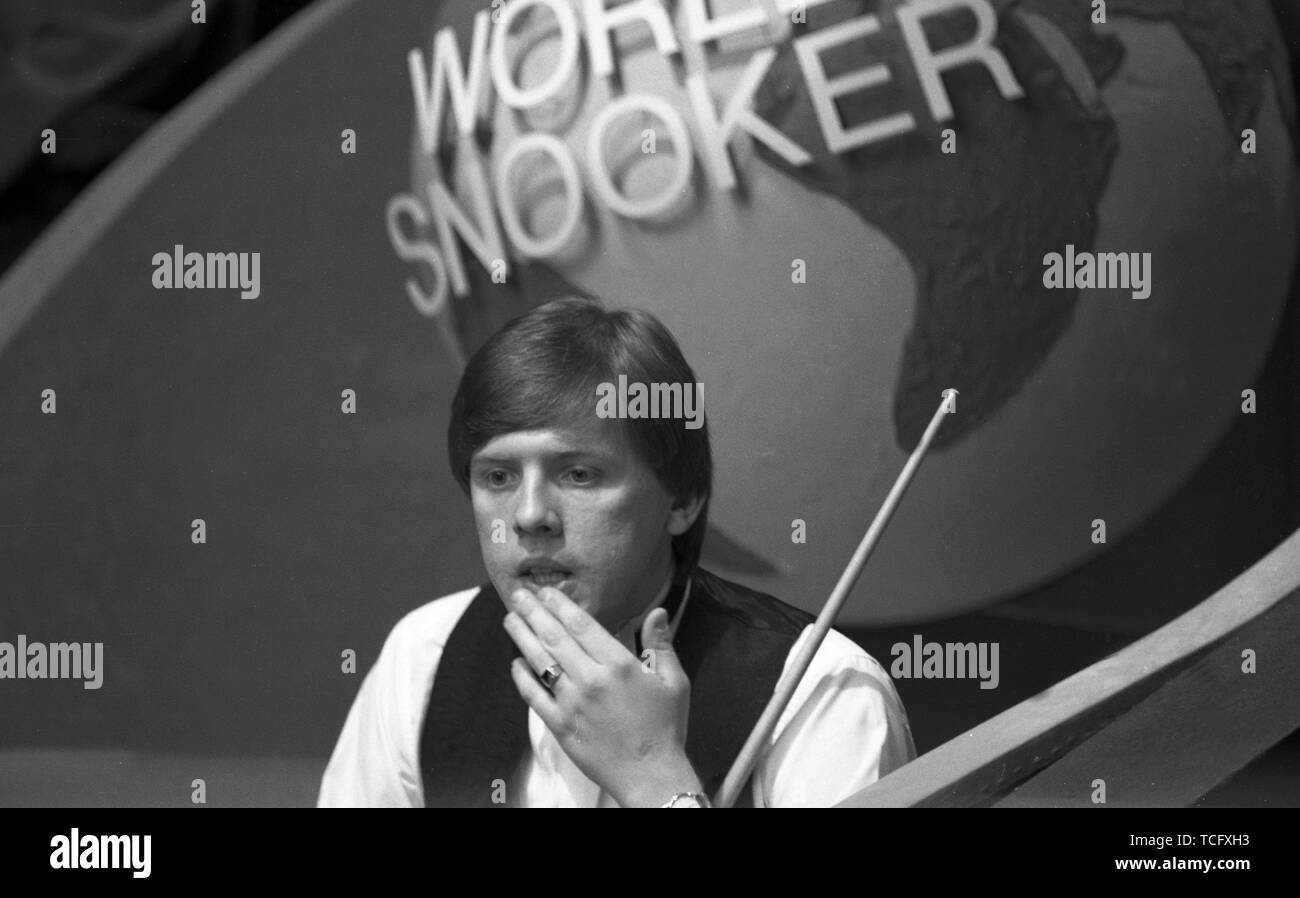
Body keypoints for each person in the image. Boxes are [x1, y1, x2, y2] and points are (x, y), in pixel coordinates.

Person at [318, 297, 914, 807]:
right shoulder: (423, 658)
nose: (530, 516)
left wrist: (655, 776)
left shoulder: (823, 693)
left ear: (682, 496)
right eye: (497, 477)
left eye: (578, 473)